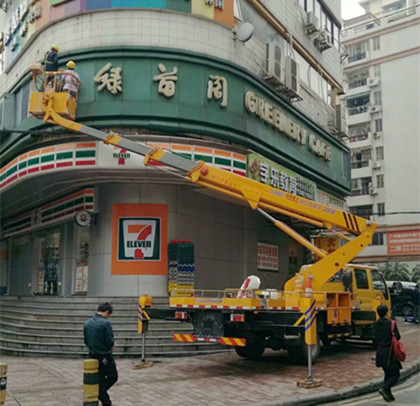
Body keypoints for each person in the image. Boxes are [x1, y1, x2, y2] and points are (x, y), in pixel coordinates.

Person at [84, 303, 118, 406]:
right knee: (113, 376)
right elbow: (109, 340)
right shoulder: (105, 323)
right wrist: (112, 345)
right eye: (109, 314)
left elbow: (86, 340)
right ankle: (100, 393)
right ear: (107, 312)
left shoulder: (87, 323)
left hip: (92, 354)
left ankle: (105, 400)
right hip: (105, 355)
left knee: (101, 378)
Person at [374, 304, 402, 402]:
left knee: (387, 373)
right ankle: (385, 388)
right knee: (396, 374)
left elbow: (375, 337)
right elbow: (398, 336)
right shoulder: (391, 323)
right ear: (386, 312)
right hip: (390, 352)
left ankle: (388, 395)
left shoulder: (376, 323)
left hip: (380, 351)